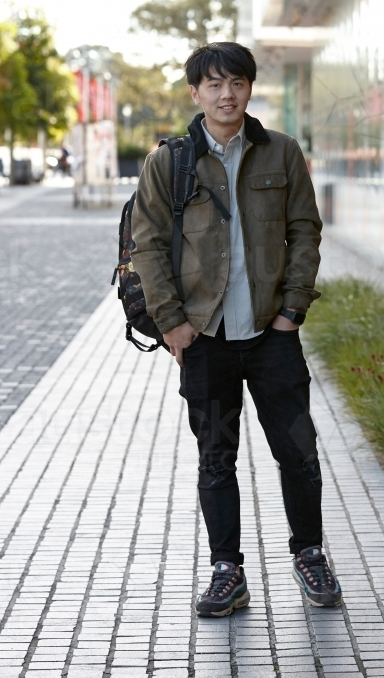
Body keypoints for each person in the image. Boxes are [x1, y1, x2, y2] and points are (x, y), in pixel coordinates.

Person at [132, 41, 341, 617]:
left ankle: (310, 555)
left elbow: (306, 232)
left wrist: (291, 312)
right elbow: (146, 245)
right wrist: (172, 324)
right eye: (215, 85)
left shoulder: (281, 153)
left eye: (238, 83)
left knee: (298, 452)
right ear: (196, 92)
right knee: (216, 459)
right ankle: (228, 571)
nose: (228, 94)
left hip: (272, 338)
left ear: (250, 89)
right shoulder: (168, 163)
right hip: (206, 342)